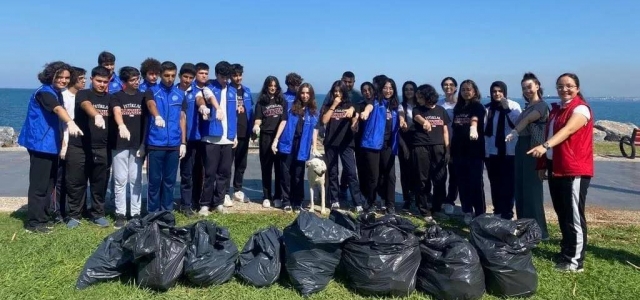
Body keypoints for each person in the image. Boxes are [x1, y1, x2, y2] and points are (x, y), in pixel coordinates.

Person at [528, 73, 593, 273]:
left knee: (573, 216)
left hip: (574, 169)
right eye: (560, 86)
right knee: (562, 213)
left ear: (577, 87)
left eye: (569, 86)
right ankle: (566, 251)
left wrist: (544, 146)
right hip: (556, 167)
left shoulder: (580, 109)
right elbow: (548, 134)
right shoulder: (557, 110)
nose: (564, 89)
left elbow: (566, 131)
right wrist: (542, 164)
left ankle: (574, 261)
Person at [19, 61, 82, 233]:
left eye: (67, 78)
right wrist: (70, 122)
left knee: (49, 184)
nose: (63, 80)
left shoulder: (57, 92)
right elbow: (56, 109)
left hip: (51, 145)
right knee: (40, 185)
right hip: (40, 144)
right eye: (59, 77)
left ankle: (43, 217)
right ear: (50, 76)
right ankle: (34, 223)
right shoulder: (45, 92)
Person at [65, 66, 112, 229]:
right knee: (76, 182)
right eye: (99, 81)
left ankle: (98, 213)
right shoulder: (83, 94)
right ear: (92, 79)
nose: (102, 84)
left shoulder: (110, 99)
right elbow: (85, 105)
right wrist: (96, 115)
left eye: (105, 82)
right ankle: (74, 215)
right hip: (79, 146)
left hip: (102, 148)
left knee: (99, 183)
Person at [505, 72, 550, 239]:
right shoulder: (527, 106)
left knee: (532, 191)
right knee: (520, 189)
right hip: (521, 148)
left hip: (533, 148)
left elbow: (529, 120)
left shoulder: (541, 105)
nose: (527, 90)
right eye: (524, 88)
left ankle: (539, 231)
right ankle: (523, 227)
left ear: (537, 86)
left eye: (529, 87)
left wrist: (515, 131)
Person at [145, 61, 187, 213]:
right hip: (156, 142)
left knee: (169, 181)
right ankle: (153, 213)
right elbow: (151, 104)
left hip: (174, 144)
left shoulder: (180, 94)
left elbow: (182, 118)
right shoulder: (152, 91)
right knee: (154, 181)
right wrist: (157, 116)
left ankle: (166, 212)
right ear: (160, 75)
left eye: (173, 76)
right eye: (166, 75)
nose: (170, 79)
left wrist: (183, 142)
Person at [197, 61, 238, 215]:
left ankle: (219, 202)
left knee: (224, 172)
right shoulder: (208, 87)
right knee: (209, 172)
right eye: (222, 77)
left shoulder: (233, 91)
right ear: (216, 75)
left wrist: (234, 136)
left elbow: (234, 114)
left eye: (227, 77)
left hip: (228, 137)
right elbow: (207, 98)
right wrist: (217, 108)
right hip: (211, 137)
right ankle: (205, 203)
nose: (225, 80)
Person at [273, 83, 321, 212]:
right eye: (302, 93)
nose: (305, 95)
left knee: (298, 175)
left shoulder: (314, 112)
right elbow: (283, 121)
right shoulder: (291, 107)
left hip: (303, 145)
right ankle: (286, 201)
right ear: (299, 94)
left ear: (311, 95)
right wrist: (276, 140)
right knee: (285, 173)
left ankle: (297, 201)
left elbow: (315, 130)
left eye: (307, 93)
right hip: (288, 143)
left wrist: (314, 146)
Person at [319, 80, 365, 212]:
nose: (337, 93)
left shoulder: (351, 105)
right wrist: (334, 104)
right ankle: (334, 200)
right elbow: (324, 120)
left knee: (351, 172)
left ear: (344, 92)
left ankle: (357, 202)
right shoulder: (328, 105)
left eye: (339, 91)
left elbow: (355, 116)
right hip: (331, 143)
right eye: (335, 91)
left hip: (346, 143)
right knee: (332, 172)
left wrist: (353, 120)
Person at [110, 66, 147, 228]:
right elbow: (117, 112)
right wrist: (121, 125)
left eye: (137, 78)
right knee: (120, 179)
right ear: (124, 82)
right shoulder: (117, 96)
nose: (136, 82)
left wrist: (144, 144)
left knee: (136, 179)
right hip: (120, 144)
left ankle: (135, 213)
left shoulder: (143, 97)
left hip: (138, 144)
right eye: (132, 79)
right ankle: (120, 213)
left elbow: (147, 123)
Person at [359, 77, 401, 214]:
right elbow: (369, 107)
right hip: (373, 143)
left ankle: (390, 205)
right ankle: (371, 202)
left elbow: (400, 114)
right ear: (380, 89)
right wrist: (365, 112)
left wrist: (403, 121)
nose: (388, 90)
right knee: (373, 176)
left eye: (391, 88)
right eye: (385, 88)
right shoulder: (376, 102)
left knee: (390, 176)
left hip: (389, 144)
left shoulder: (395, 105)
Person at [50, 66, 86, 224]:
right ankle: (57, 211)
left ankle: (75, 210)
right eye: (81, 78)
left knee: (74, 179)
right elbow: (63, 124)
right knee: (59, 180)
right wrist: (64, 145)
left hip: (78, 144)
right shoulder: (63, 96)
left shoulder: (83, 96)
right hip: (64, 142)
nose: (84, 81)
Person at [412, 84, 450, 223]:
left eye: (420, 96)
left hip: (439, 147)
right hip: (421, 146)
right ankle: (424, 210)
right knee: (422, 180)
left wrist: (448, 149)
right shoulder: (417, 109)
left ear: (428, 96)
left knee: (440, 179)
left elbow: (445, 131)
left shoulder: (441, 110)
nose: (418, 99)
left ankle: (437, 208)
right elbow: (417, 117)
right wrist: (425, 122)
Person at [484, 81, 521, 220]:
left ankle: (508, 212)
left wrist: (506, 109)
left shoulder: (513, 106)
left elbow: (517, 124)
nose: (497, 94)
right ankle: (497, 210)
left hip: (509, 151)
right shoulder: (488, 108)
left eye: (500, 91)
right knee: (495, 183)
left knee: (508, 184)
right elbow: (484, 129)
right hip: (492, 151)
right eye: (494, 91)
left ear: (504, 92)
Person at [451, 79, 486, 225]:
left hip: (475, 151)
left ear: (474, 91)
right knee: (462, 182)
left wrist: (473, 128)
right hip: (458, 151)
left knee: (476, 183)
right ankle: (467, 211)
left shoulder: (478, 106)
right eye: (463, 89)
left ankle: (480, 213)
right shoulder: (458, 108)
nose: (466, 92)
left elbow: (475, 119)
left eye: (469, 89)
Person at [253, 76, 286, 208]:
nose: (272, 88)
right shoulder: (261, 102)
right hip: (266, 137)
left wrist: (277, 139)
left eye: (275, 86)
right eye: (270, 85)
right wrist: (256, 126)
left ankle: (278, 195)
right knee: (266, 167)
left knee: (279, 168)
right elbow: (258, 119)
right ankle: (266, 196)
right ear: (266, 87)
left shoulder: (282, 101)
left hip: (279, 137)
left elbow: (284, 120)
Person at [175, 63, 198, 216]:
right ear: (180, 76)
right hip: (171, 138)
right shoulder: (173, 91)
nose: (187, 80)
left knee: (187, 174)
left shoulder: (197, 93)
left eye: (191, 78)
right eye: (185, 77)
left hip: (190, 139)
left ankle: (186, 204)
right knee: (168, 175)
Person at [229, 63, 254, 203]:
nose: (238, 78)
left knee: (241, 164)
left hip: (245, 132)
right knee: (227, 164)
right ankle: (225, 191)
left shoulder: (247, 91)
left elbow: (251, 110)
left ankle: (237, 190)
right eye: (235, 75)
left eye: (240, 75)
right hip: (231, 133)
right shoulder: (227, 90)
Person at [438, 77, 458, 215]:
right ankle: (440, 198)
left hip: (456, 143)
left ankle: (450, 200)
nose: (448, 87)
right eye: (445, 85)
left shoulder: (460, 104)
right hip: (440, 142)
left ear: (455, 88)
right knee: (440, 173)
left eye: (451, 85)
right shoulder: (439, 104)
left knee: (454, 174)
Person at [399, 81, 418, 213]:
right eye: (406, 89)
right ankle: (407, 199)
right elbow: (401, 119)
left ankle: (419, 198)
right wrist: (402, 122)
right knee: (405, 171)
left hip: (419, 141)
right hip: (405, 141)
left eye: (411, 89)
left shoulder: (420, 105)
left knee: (419, 171)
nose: (409, 91)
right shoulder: (402, 106)